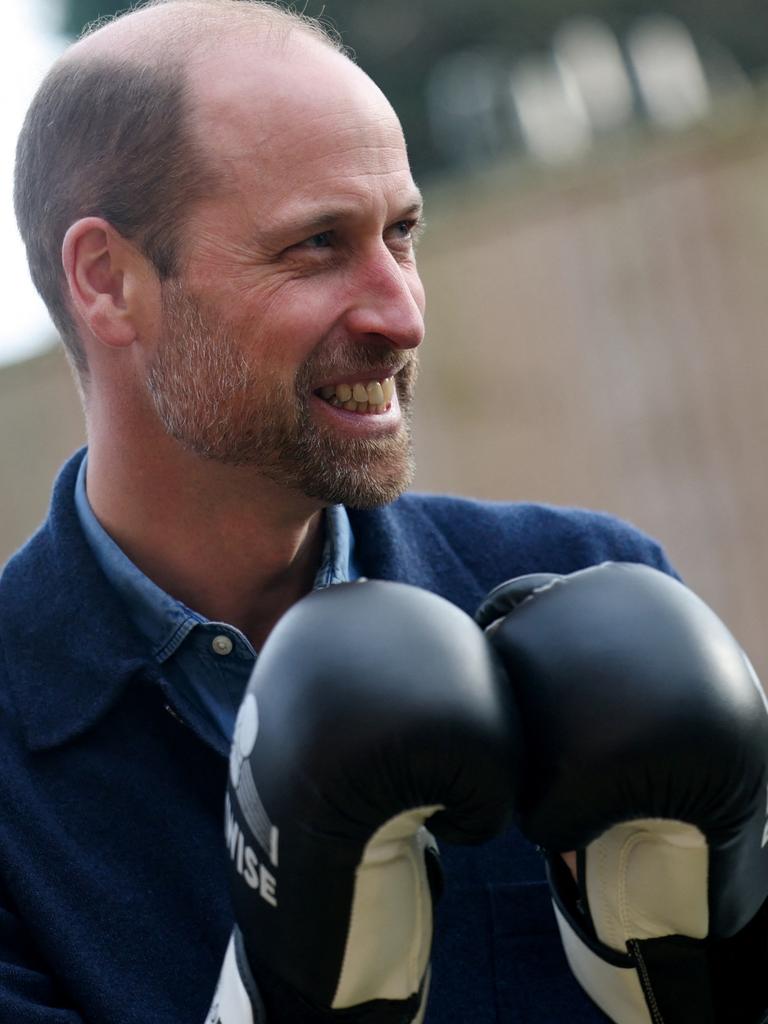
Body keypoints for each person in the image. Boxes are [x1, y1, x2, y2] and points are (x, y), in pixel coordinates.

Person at [1, 1, 682, 1021]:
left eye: (401, 233)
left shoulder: (589, 589)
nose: (400, 312)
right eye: (317, 246)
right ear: (109, 282)